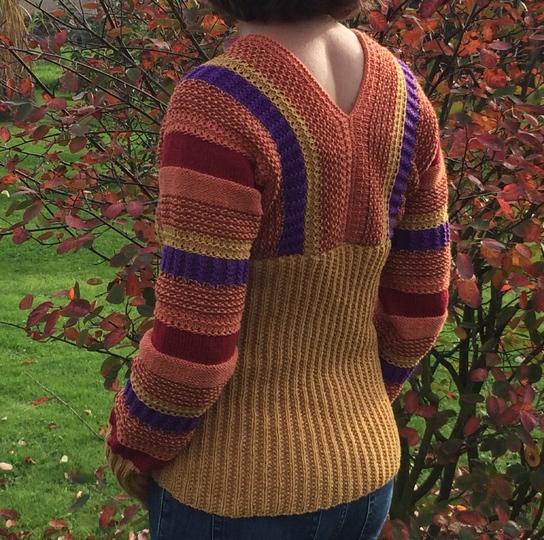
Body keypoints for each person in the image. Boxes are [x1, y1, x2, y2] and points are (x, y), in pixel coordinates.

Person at [105, 0, 451, 538]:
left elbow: (194, 347)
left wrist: (132, 445)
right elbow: (422, 308)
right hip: (365, 474)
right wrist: (350, 409)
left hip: (232, 488)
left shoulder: (217, 103)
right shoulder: (404, 94)